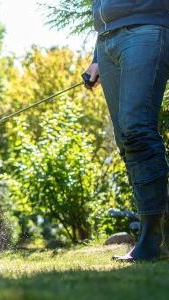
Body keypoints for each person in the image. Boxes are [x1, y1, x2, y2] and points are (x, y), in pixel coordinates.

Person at [85, 0, 169, 262]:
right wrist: (97, 58)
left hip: (147, 28)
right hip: (107, 40)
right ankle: (153, 234)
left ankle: (155, 238)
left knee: (137, 130)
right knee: (127, 140)